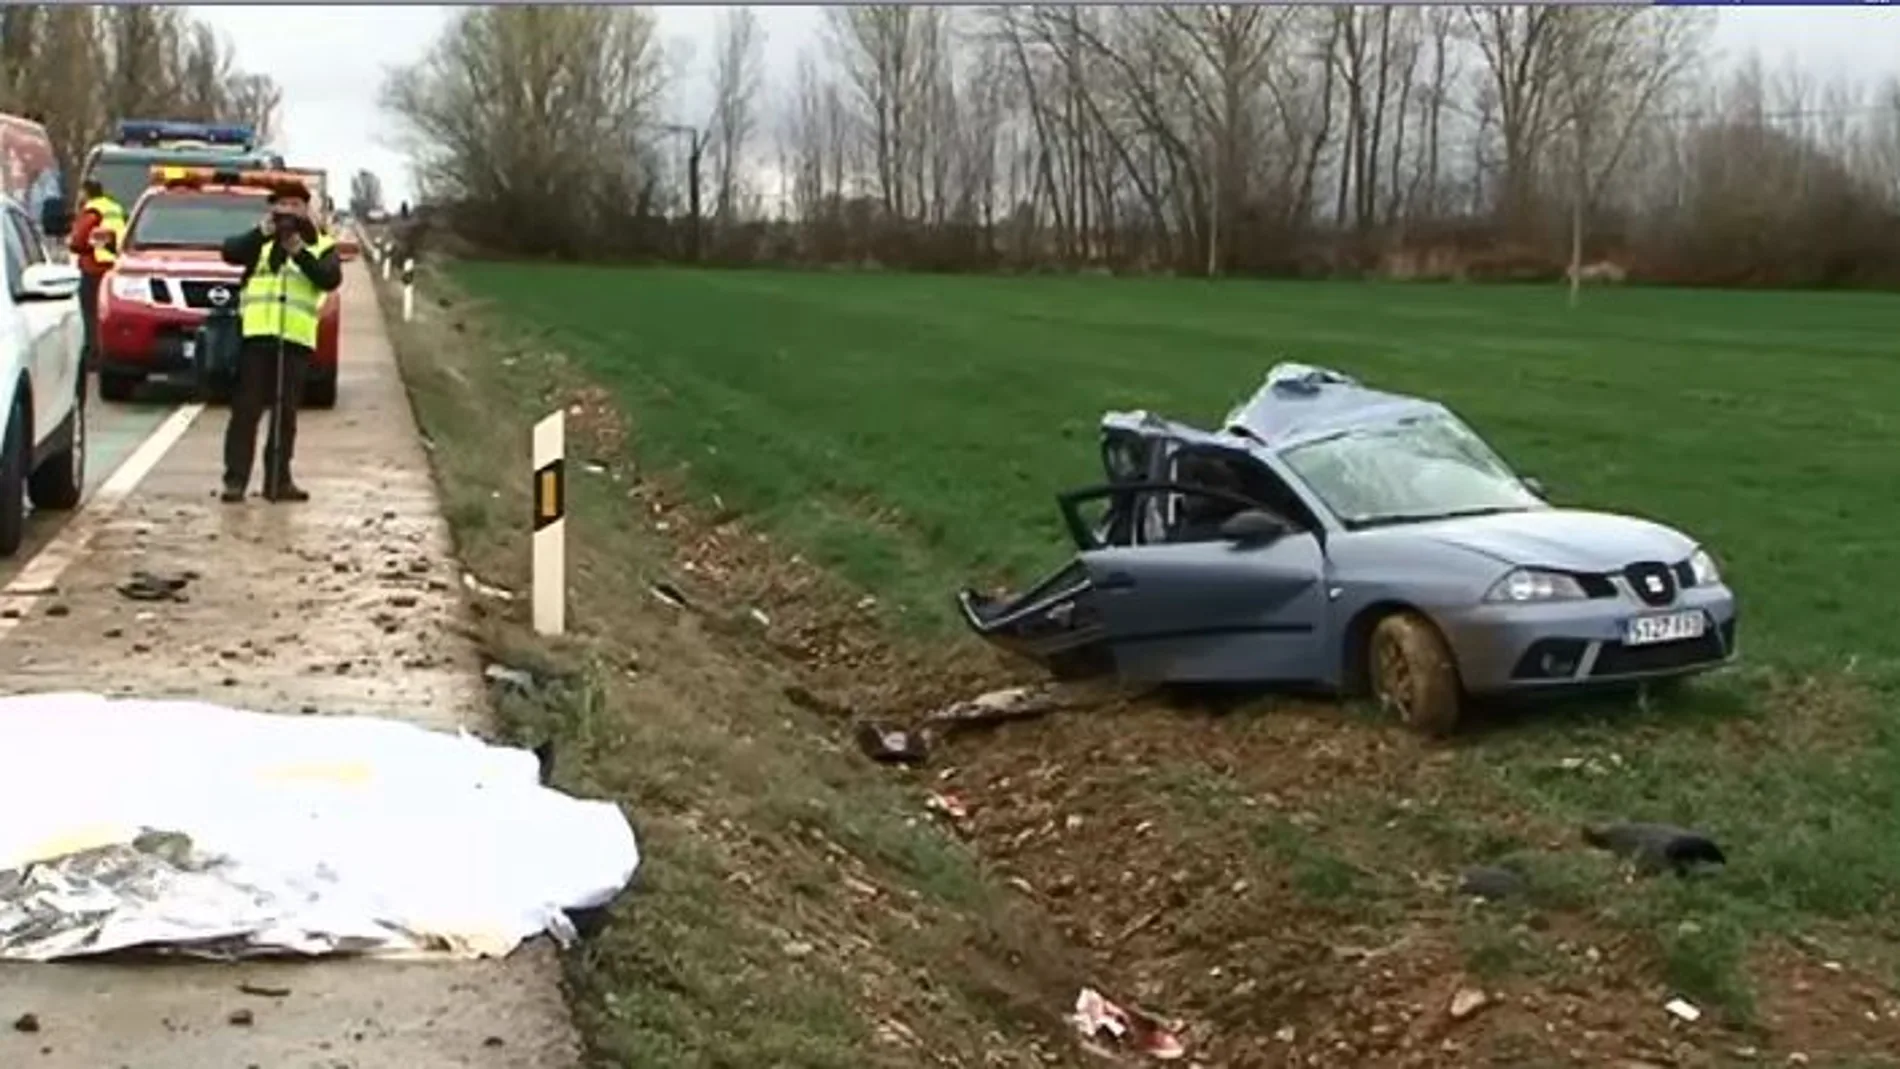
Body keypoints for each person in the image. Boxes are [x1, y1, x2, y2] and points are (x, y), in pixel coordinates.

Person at [218, 180, 342, 503]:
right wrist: (263, 232)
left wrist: (298, 252)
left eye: (294, 207)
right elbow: (229, 251)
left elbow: (330, 278)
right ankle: (235, 480)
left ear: (305, 209)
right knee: (246, 411)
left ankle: (278, 480)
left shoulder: (320, 244)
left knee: (285, 413)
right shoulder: (258, 241)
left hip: (295, 338)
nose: (287, 214)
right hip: (257, 336)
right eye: (280, 207)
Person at [67, 179, 125, 372]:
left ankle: (94, 356)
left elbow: (78, 241)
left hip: (94, 268)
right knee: (106, 314)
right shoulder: (115, 208)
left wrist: (76, 242)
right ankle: (109, 352)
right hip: (114, 267)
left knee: (90, 314)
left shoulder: (92, 212)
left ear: (86, 192)